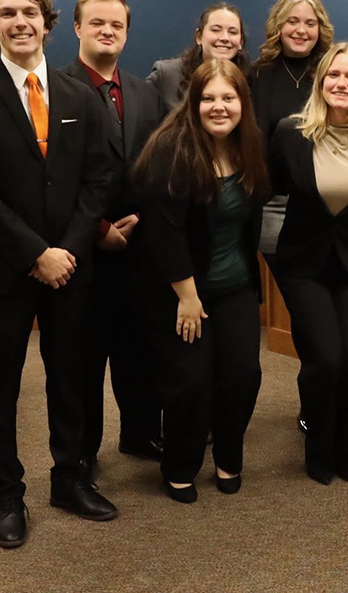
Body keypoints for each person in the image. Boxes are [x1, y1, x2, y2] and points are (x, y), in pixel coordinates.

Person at [0, 0, 116, 548]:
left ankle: (69, 478)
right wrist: (35, 253)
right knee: (3, 382)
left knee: (70, 376)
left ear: (47, 22)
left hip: (70, 266)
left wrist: (64, 251)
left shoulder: (77, 94)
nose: (20, 22)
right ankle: (7, 494)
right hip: (6, 269)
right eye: (7, 14)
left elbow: (98, 179)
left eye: (30, 13)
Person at [133, 59, 269, 502]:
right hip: (179, 290)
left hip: (235, 287)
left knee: (242, 375)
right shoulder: (171, 150)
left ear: (242, 104)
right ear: (192, 103)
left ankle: (229, 457)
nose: (218, 107)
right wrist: (188, 298)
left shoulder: (248, 147)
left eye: (228, 98)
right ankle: (180, 464)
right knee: (189, 382)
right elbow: (164, 233)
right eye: (208, 98)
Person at [268, 43, 348, 484]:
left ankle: (347, 437)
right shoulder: (290, 132)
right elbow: (265, 187)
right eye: (334, 75)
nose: (342, 83)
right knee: (325, 359)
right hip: (303, 264)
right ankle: (319, 440)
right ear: (321, 82)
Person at [61, 0, 167, 479]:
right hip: (81, 249)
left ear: (126, 32)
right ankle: (82, 449)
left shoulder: (145, 93)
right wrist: (98, 228)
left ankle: (140, 431)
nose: (108, 31)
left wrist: (141, 221)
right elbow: (53, 175)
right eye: (97, 23)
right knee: (85, 357)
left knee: (140, 349)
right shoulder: (56, 89)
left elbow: (153, 165)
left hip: (140, 246)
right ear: (77, 28)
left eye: (117, 25)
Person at [249, 0, 334, 435]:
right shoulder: (257, 74)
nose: (301, 30)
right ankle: (315, 400)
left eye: (310, 23)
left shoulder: (333, 71)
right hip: (277, 209)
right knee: (306, 311)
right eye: (293, 22)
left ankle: (318, 397)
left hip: (331, 208)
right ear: (277, 26)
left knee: (326, 314)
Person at [147, 2, 250, 114]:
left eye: (232, 32)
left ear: (241, 41)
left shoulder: (252, 80)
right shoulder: (166, 75)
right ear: (199, 37)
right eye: (216, 30)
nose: (225, 38)